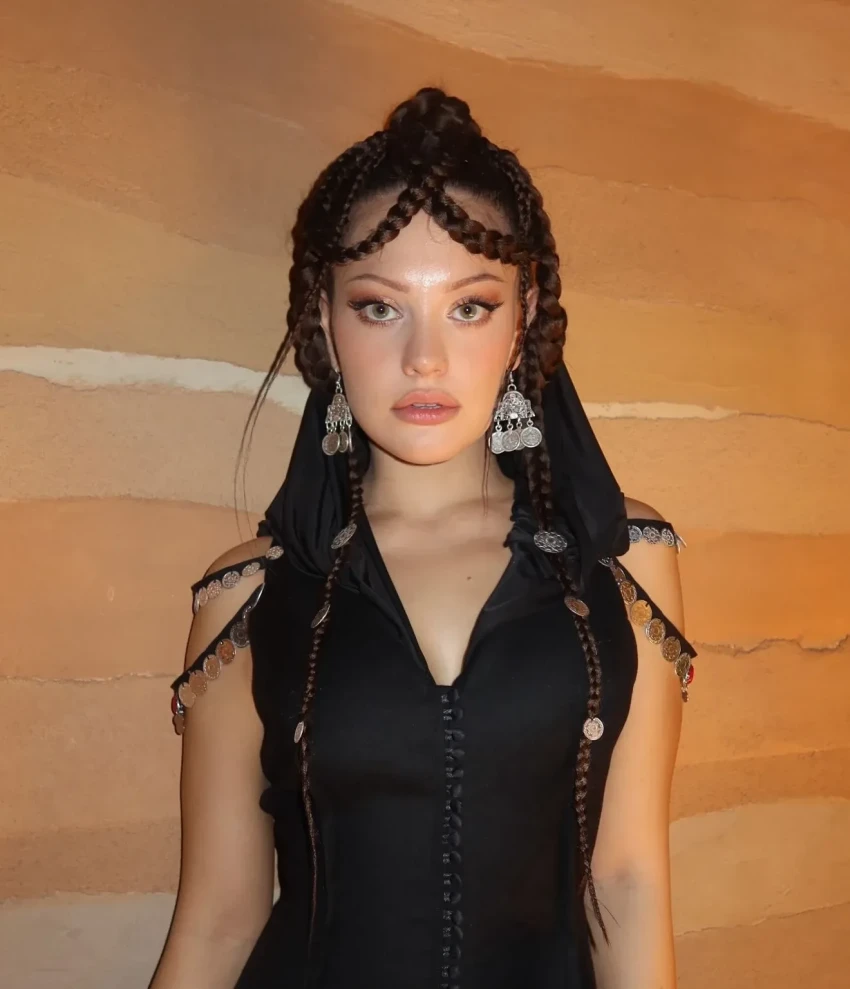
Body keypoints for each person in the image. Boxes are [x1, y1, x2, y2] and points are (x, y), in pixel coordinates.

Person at [149, 87, 696, 989]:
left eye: (470, 307)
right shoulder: (248, 598)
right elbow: (217, 919)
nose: (425, 359)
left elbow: (628, 882)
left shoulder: (623, 560)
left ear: (523, 320)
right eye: (380, 307)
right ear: (325, 321)